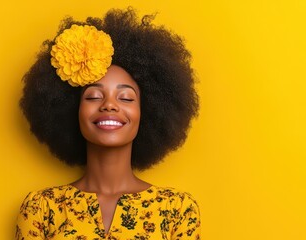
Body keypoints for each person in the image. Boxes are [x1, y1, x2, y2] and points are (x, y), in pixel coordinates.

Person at [16, 8, 200, 240]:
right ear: (73, 110)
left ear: (148, 112)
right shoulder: (41, 209)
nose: (109, 105)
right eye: (93, 96)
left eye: (126, 98)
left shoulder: (177, 210)